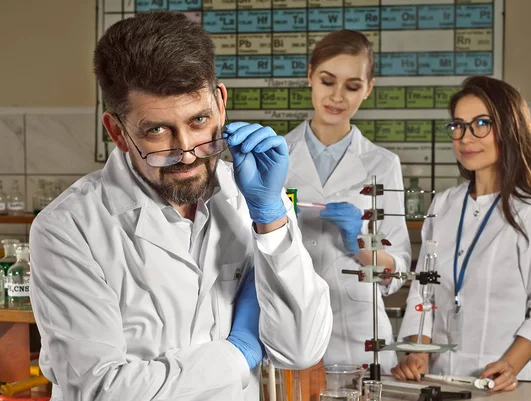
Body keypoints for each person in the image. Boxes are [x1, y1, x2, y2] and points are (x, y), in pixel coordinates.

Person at [29, 11, 332, 401]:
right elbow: (101, 389)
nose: (187, 153)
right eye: (157, 130)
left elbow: (300, 349)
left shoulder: (252, 200)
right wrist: (237, 354)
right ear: (117, 131)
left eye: (199, 120)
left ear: (220, 105)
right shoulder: (68, 228)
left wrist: (271, 219)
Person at [391, 76, 531, 392]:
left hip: (500, 385)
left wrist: (509, 366)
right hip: (437, 383)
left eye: (481, 124)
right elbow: (424, 294)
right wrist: (418, 353)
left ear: (509, 130)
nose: (466, 137)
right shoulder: (442, 205)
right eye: (458, 125)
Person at [284, 30, 412, 373]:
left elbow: (398, 266)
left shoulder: (382, 164)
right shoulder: (277, 156)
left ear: (368, 88)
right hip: (292, 326)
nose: (337, 97)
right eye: (327, 81)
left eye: (352, 86)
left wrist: (359, 243)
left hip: (361, 335)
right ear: (310, 75)